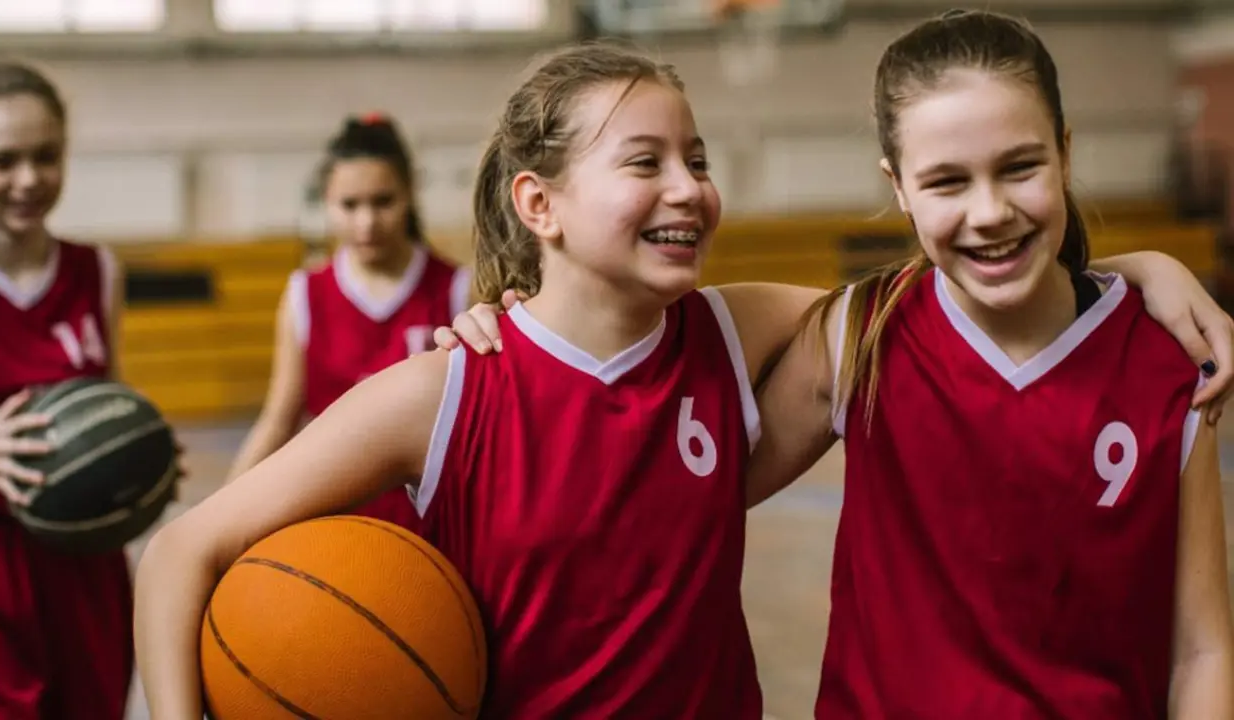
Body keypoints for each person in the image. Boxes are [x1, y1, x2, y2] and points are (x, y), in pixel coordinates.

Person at [133, 41, 1234, 719]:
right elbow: (184, 550)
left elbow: (960, 280)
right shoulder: (449, 387)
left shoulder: (727, 330)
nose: (688, 187)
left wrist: (1130, 271)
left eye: (696, 159)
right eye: (645, 162)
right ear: (538, 205)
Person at [743, 10, 1232, 716]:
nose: (990, 210)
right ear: (899, 187)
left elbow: (1203, 651)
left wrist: (1144, 274)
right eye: (947, 182)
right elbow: (698, 501)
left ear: (1065, 153)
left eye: (1020, 167)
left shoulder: (1165, 363)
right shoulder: (863, 336)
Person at [0, 61, 135, 719]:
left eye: (46, 157)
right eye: (4, 160)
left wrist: (138, 461)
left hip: (85, 565)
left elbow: (111, 400)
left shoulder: (97, 270)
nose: (28, 179)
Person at [225, 113, 469, 529]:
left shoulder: (458, 289)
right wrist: (221, 512)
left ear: (409, 193)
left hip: (432, 522)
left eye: (382, 201)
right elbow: (279, 418)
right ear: (326, 202)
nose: (366, 222)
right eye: (350, 205)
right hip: (331, 519)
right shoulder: (306, 293)